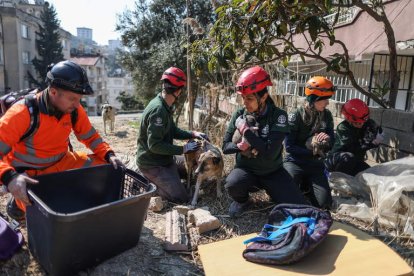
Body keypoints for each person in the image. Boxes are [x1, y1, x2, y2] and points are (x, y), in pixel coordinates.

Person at [0, 61, 124, 220]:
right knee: (42, 211)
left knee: (106, 168)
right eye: (73, 98)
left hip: (62, 162)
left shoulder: (73, 110)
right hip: (30, 172)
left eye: (79, 99)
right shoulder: (23, 113)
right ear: (52, 92)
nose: (77, 104)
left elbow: (90, 137)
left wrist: (109, 154)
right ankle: (17, 207)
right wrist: (10, 177)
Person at [222, 66, 307, 218]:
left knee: (297, 206)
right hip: (247, 171)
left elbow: (269, 153)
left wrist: (245, 131)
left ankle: (274, 192)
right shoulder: (239, 114)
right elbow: (225, 147)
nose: (244, 103)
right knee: (232, 184)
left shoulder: (278, 116)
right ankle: (243, 201)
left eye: (249, 98)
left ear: (263, 97)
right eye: (243, 98)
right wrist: (239, 147)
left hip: (272, 171)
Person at [136, 67, 209, 203]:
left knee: (192, 170)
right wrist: (183, 149)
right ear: (179, 90)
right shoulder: (158, 110)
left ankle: (166, 179)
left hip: (164, 158)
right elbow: (155, 145)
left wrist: (193, 133)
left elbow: (173, 130)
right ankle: (147, 184)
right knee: (182, 197)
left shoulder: (164, 105)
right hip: (152, 163)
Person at [283, 76, 335, 209]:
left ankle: (306, 186)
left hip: (315, 164)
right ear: (314, 99)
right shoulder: (296, 116)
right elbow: (289, 147)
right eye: (324, 99)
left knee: (324, 204)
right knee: (287, 198)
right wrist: (312, 151)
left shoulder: (327, 115)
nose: (327, 103)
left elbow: (332, 142)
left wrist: (327, 141)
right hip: (295, 161)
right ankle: (301, 186)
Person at [325, 98, 384, 176]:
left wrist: (377, 137)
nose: (361, 125)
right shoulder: (343, 127)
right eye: (357, 123)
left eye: (363, 122)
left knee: (372, 174)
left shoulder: (368, 123)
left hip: (356, 161)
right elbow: (352, 148)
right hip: (337, 161)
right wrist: (368, 144)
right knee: (348, 158)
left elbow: (375, 133)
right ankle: (338, 181)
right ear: (348, 119)